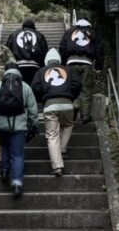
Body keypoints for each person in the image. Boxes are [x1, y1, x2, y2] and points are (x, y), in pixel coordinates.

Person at [0, 62, 39, 198]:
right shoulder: (25, 87)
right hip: (19, 126)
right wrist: (34, 123)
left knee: (4, 147)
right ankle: (17, 184)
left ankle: (4, 170)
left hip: (1, 125)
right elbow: (33, 109)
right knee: (17, 154)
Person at [31, 49, 82, 177]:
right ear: (59, 59)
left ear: (46, 60)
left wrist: (43, 98)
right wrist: (71, 96)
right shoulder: (68, 70)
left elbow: (35, 87)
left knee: (52, 135)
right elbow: (78, 84)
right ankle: (63, 148)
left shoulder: (41, 71)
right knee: (68, 125)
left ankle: (57, 166)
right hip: (67, 104)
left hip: (50, 105)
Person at [59, 18, 104, 123]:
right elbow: (99, 49)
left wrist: (63, 63)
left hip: (71, 63)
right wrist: (98, 66)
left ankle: (72, 112)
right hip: (87, 63)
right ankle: (85, 116)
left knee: (72, 88)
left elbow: (63, 48)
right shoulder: (93, 32)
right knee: (86, 89)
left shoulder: (69, 32)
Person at [5, 17, 48, 86]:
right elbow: (45, 52)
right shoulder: (39, 35)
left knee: (19, 88)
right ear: (34, 26)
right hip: (35, 66)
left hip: (18, 66)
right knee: (33, 87)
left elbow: (7, 50)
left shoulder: (14, 34)